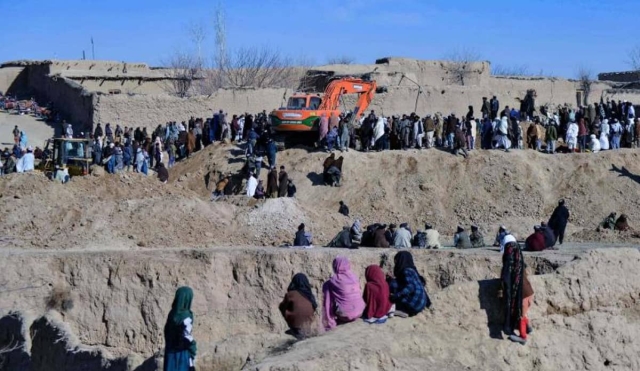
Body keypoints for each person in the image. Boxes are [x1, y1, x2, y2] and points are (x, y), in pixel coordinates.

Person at [499, 237, 534, 345]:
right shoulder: (519, 261)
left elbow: (505, 280)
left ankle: (523, 337)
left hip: (523, 295)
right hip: (530, 292)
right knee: (524, 312)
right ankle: (528, 328)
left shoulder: (510, 266)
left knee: (521, 315)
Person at [322, 256, 365, 330]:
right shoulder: (354, 277)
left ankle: (330, 322)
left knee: (328, 290)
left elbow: (328, 303)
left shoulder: (333, 281)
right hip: (360, 311)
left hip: (345, 315)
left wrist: (329, 322)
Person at [388, 251, 431, 317]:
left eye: (397, 261)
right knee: (395, 283)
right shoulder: (412, 270)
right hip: (421, 303)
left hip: (413, 305)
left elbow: (410, 287)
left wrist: (396, 295)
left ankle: (402, 311)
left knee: (393, 289)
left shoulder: (406, 271)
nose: (396, 263)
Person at [164, 287, 197, 371]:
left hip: (170, 352)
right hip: (182, 354)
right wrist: (193, 348)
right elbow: (187, 336)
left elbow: (166, 331)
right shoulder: (187, 316)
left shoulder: (171, 314)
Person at [279, 273, 317, 338]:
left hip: (295, 324)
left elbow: (282, 307)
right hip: (308, 323)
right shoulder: (309, 295)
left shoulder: (290, 294)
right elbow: (315, 306)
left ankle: (294, 328)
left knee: (284, 308)